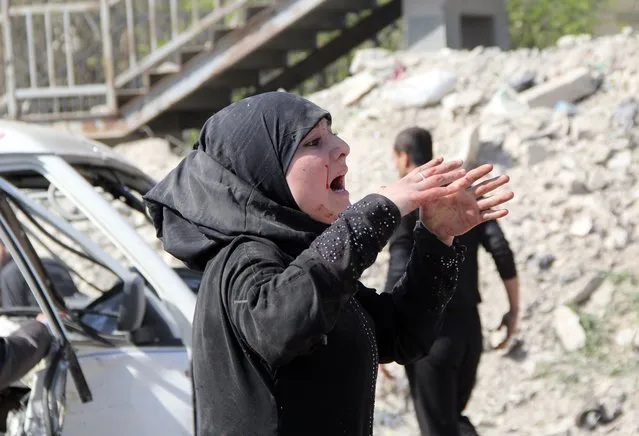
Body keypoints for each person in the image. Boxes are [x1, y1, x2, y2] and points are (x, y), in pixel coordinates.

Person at [143, 92, 513, 436]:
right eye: (313, 142)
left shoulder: (299, 259)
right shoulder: (243, 259)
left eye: (332, 134)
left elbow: (403, 335)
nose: (342, 147)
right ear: (264, 170)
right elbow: (282, 324)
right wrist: (378, 209)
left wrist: (438, 237)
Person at [383, 126, 520, 436]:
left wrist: (383, 336)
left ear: (403, 158)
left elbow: (398, 266)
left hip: (431, 339)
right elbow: (501, 249)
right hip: (470, 333)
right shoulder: (458, 191)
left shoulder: (410, 201)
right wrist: (514, 309)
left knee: (440, 430)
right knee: (454, 421)